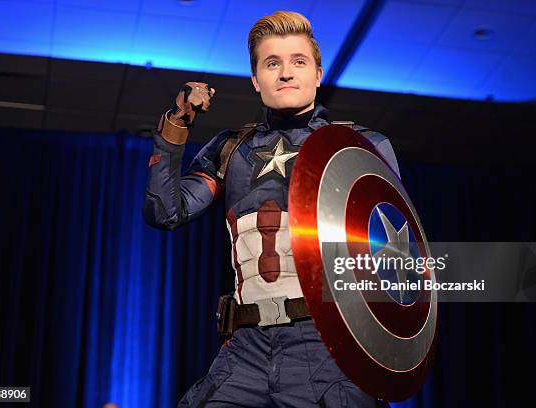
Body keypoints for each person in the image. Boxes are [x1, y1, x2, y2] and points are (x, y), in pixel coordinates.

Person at [143, 10, 398, 408]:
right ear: (255, 80)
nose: (285, 73)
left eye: (299, 61)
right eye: (272, 63)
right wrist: (178, 124)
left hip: (328, 348)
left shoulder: (360, 146)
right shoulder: (229, 149)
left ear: (318, 74)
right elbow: (165, 212)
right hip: (243, 351)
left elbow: (393, 255)